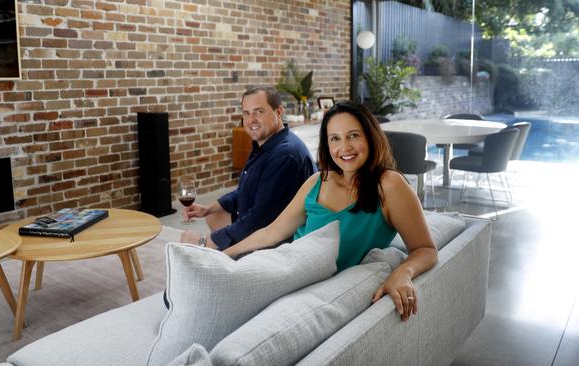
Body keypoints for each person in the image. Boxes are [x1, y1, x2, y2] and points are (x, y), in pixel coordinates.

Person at [223, 101, 438, 321]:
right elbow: (271, 233)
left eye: (353, 135)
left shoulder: (389, 185)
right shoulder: (318, 181)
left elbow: (425, 249)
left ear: (371, 137)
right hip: (285, 265)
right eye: (335, 138)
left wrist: (403, 272)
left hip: (306, 287)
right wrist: (224, 255)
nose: (344, 147)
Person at [180, 86, 316, 250]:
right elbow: (247, 189)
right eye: (246, 113)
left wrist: (204, 242)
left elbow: (259, 220)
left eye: (259, 112)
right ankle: (231, 252)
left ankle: (236, 257)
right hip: (263, 222)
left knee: (203, 240)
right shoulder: (266, 143)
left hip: (280, 240)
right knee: (214, 214)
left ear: (278, 112)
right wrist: (208, 208)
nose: (251, 120)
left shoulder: (285, 155)